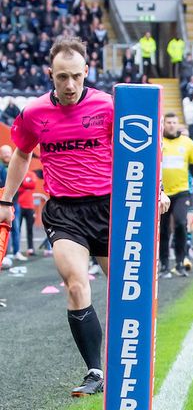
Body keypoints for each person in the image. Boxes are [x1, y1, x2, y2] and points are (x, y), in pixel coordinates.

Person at [0, 36, 170, 397]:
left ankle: (135, 361)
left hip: (112, 209)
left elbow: (144, 148)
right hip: (65, 212)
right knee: (76, 281)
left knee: (128, 289)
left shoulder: (109, 107)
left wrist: (156, 191)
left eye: (76, 76)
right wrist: (7, 200)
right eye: (62, 77)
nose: (70, 85)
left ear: (87, 72)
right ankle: (95, 370)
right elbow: (20, 154)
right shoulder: (34, 113)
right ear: (50, 74)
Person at [159, 113, 193, 278]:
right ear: (163, 124)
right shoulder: (158, 141)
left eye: (174, 122)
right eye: (168, 122)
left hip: (181, 192)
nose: (171, 125)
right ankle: (164, 265)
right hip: (161, 193)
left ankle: (179, 262)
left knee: (180, 223)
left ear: (178, 125)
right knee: (163, 229)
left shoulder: (187, 143)